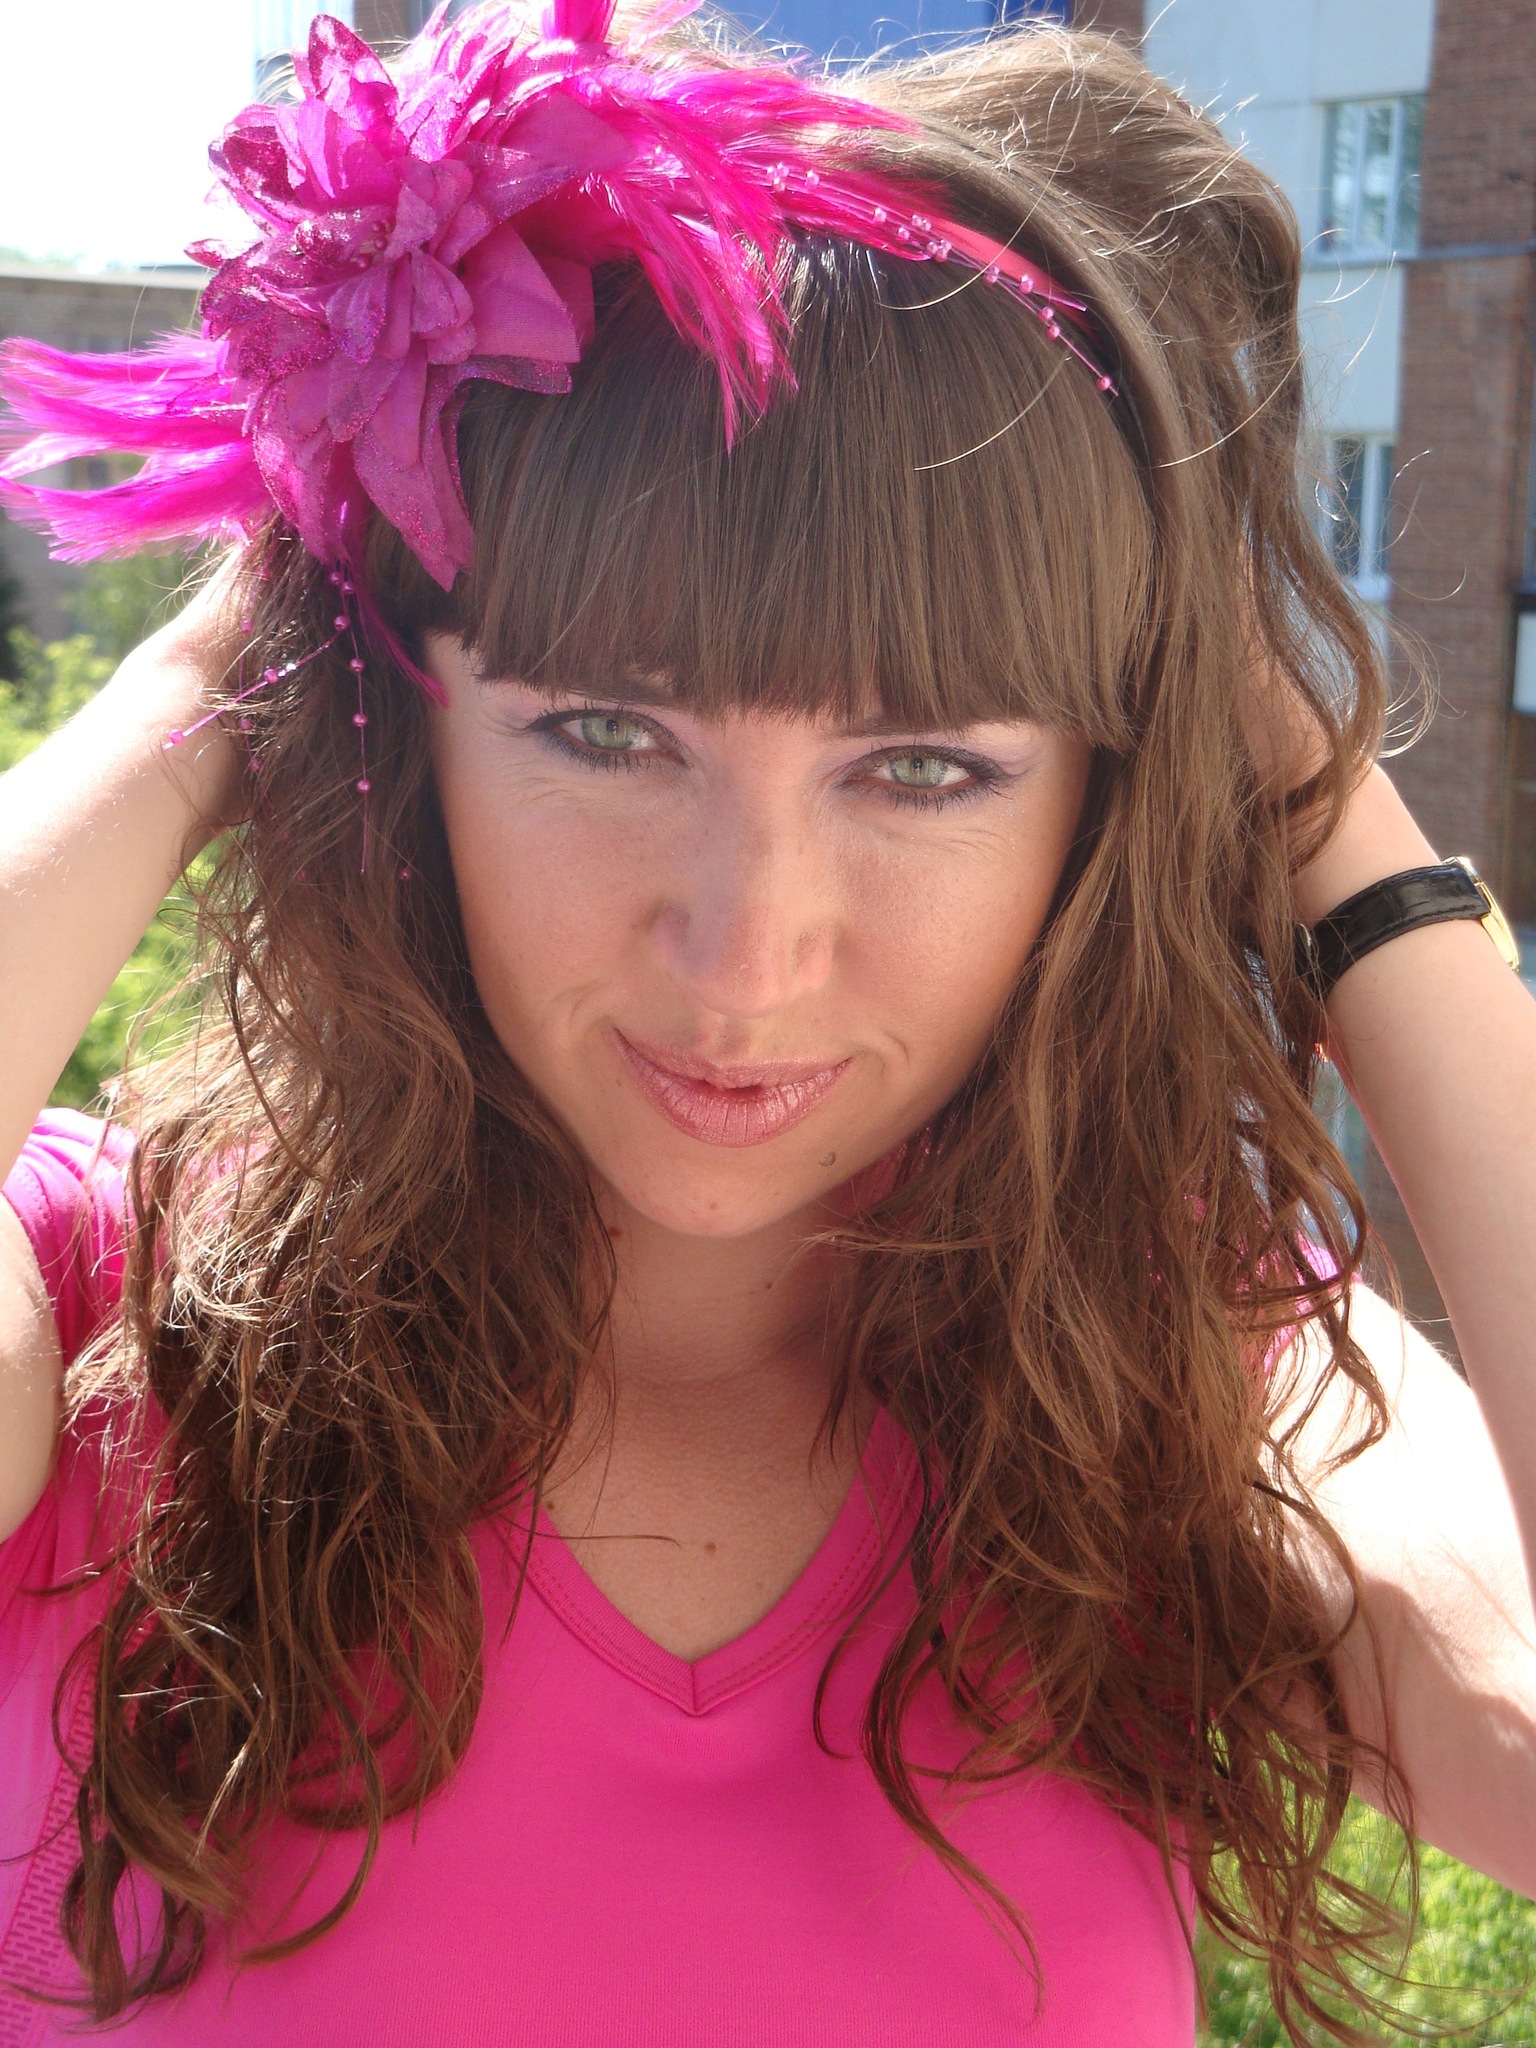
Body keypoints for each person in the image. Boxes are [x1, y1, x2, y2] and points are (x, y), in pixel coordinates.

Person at [0, 4, 1533, 2043]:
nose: (745, 956)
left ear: (1100, 808)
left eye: (926, 768)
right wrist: (229, 650)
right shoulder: (109, 1332)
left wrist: (1322, 813)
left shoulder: (1183, 1375)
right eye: (603, 731)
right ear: (406, 734)